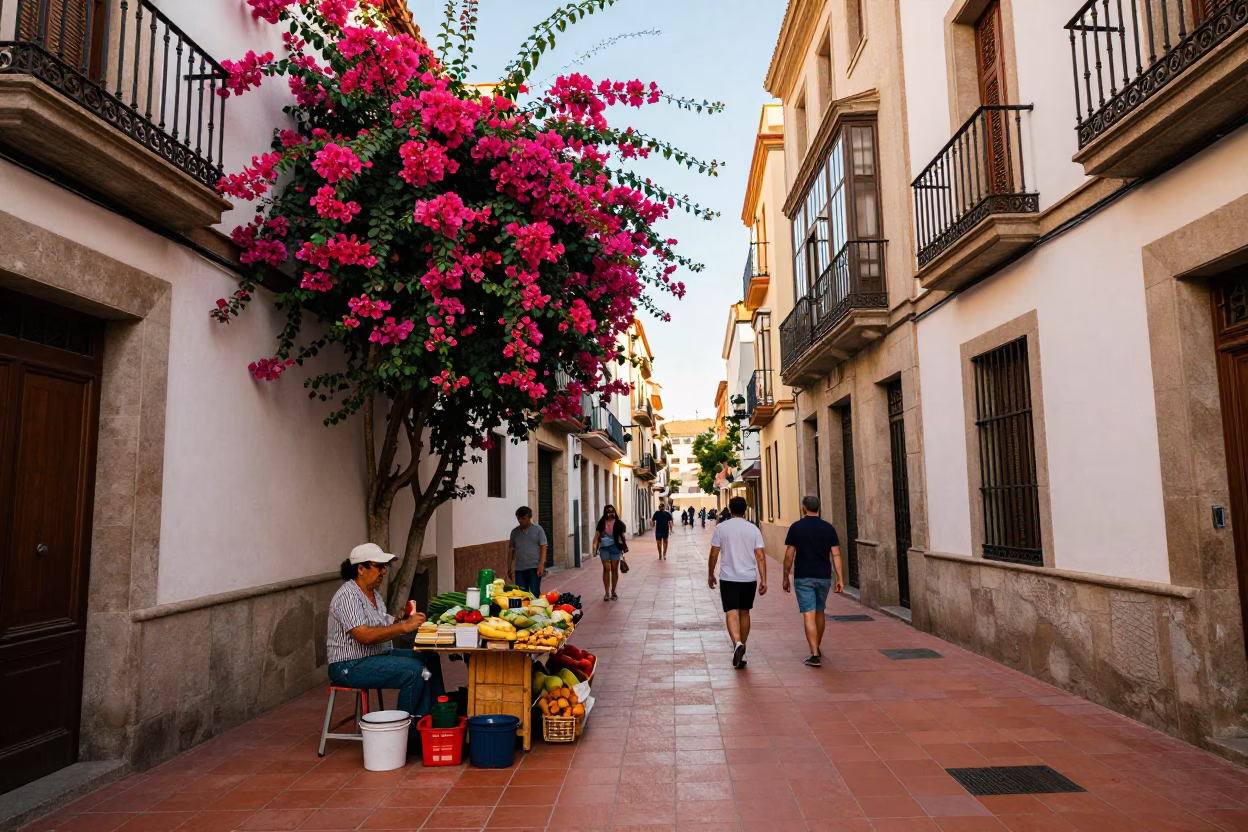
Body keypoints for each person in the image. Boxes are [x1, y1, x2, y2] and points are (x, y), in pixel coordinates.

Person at [327, 543, 438, 740]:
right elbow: (364, 635)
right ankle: (404, 735)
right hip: (350, 665)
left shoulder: (374, 594)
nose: (383, 572)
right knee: (415, 672)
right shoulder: (347, 596)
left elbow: (383, 622)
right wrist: (402, 628)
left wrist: (402, 619)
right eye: (378, 566)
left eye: (384, 567)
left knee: (429, 659)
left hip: (375, 655)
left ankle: (434, 721)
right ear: (361, 569)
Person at [781, 496, 844, 667]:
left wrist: (785, 576)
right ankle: (817, 646)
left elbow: (789, 555)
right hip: (823, 576)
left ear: (803, 507)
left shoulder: (796, 527)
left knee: (808, 614)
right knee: (820, 611)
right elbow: (836, 554)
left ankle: (815, 653)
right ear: (818, 508)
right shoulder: (828, 528)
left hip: (803, 576)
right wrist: (840, 577)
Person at [707, 496, 767, 669]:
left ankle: (737, 644)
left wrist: (710, 573)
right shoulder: (753, 529)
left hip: (728, 577)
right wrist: (764, 579)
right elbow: (760, 555)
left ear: (729, 509)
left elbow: (713, 553)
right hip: (748, 577)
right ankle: (743, 648)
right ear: (745, 509)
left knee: (731, 611)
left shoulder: (721, 528)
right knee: (745, 612)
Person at [508, 506, 548, 598]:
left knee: (534, 593)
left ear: (529, 518)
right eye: (519, 519)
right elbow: (511, 550)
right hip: (519, 569)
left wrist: (541, 564)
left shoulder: (538, 530)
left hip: (534, 568)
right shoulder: (514, 532)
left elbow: (543, 547)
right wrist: (509, 566)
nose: (521, 521)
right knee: (521, 595)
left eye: (523, 518)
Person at [593, 504, 628, 601]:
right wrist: (594, 546)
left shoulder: (619, 524)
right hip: (604, 548)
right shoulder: (601, 523)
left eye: (612, 511)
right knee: (606, 568)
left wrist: (623, 547)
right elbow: (596, 536)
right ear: (605, 512)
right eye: (608, 512)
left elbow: (622, 537)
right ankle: (606, 592)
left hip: (615, 548)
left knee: (614, 569)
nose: (610, 513)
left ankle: (613, 591)